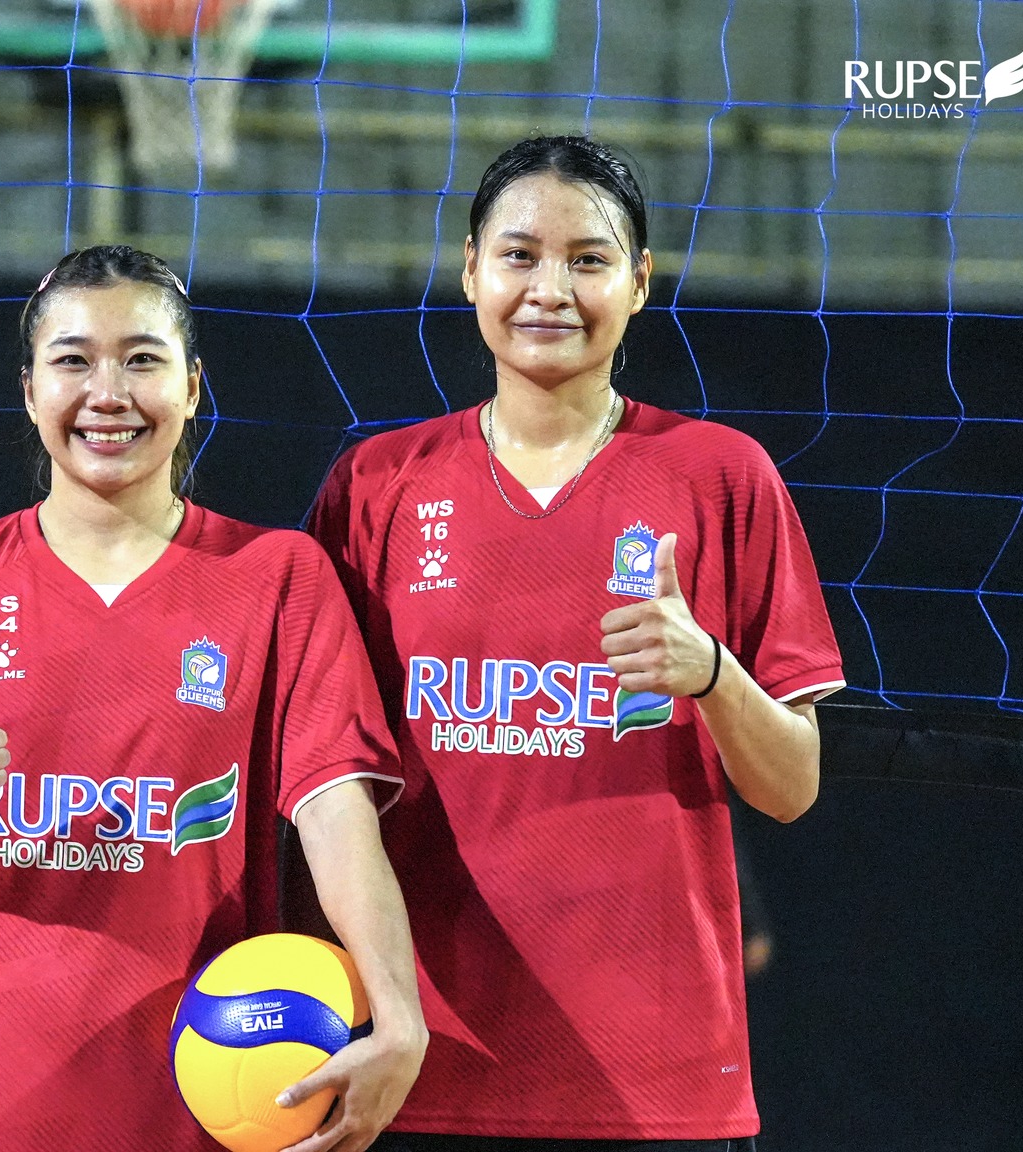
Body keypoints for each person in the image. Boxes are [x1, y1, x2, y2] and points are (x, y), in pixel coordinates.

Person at [309, 135, 845, 1151]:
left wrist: (712, 674)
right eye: (518, 256)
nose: (548, 289)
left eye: (587, 260)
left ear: (638, 282)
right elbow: (322, 785)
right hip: (422, 1067)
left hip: (656, 1080)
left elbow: (792, 788)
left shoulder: (722, 477)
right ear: (470, 269)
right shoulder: (375, 486)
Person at [0, 245, 429, 1152]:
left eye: (142, 359)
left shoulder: (277, 577)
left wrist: (399, 1012)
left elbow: (337, 820)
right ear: (30, 391)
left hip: (201, 1106)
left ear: (193, 386)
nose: (108, 393)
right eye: (74, 361)